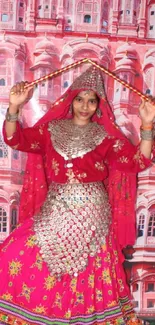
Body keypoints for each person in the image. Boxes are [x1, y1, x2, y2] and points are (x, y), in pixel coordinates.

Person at [0, 65, 155, 325]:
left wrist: (148, 124)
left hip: (93, 215)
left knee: (86, 269)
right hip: (56, 210)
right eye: (80, 99)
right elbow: (15, 141)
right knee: (18, 251)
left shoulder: (106, 137)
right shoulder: (50, 131)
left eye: (91, 101)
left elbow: (139, 160)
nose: (85, 106)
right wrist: (14, 108)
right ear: (71, 100)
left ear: (99, 105)